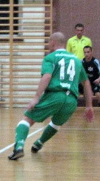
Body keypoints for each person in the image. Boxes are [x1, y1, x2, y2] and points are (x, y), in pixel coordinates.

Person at [9, 32, 94, 161]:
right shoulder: (76, 60)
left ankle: (19, 147)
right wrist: (89, 106)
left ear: (53, 42)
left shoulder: (50, 58)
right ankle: (39, 143)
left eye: (49, 42)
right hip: (71, 100)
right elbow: (86, 82)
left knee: (27, 118)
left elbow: (47, 76)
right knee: (55, 124)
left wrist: (36, 97)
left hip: (56, 94)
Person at [81, 45, 100, 117]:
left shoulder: (95, 62)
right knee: (77, 93)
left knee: (98, 94)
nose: (86, 54)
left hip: (94, 82)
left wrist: (98, 80)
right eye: (85, 52)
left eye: (88, 52)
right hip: (85, 83)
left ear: (91, 52)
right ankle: (86, 111)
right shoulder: (82, 62)